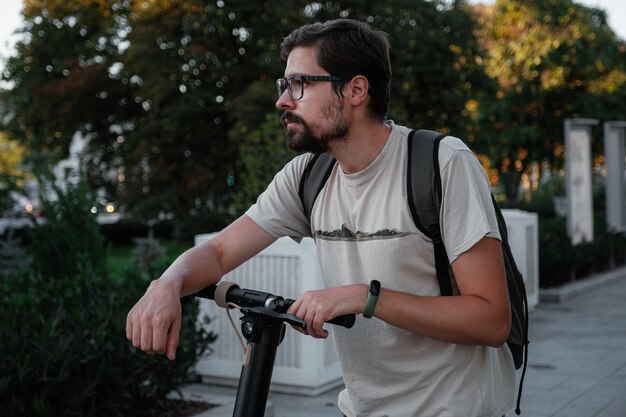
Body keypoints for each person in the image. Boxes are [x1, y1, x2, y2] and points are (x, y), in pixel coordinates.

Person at [126, 18, 515, 417]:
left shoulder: (441, 164)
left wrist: (365, 298)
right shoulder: (308, 176)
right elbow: (222, 251)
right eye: (284, 85)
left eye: (300, 84)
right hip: (359, 410)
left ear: (356, 90)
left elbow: (491, 319)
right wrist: (168, 283)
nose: (282, 100)